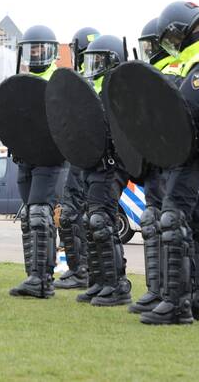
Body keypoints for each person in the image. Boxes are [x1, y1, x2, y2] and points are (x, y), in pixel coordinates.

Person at [141, 1, 199, 326]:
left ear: (181, 32)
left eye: (170, 39)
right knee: (197, 224)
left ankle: (176, 303)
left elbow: (190, 109)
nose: (169, 46)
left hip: (191, 154)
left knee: (173, 218)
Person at [75, 34, 132, 307]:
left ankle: (117, 285)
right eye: (92, 60)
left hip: (111, 167)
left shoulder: (120, 92)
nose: (94, 65)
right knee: (91, 222)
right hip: (93, 165)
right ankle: (98, 282)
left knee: (101, 222)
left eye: (99, 60)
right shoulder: (96, 91)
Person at [9, 24, 65, 299]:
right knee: (29, 216)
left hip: (49, 158)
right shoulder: (21, 83)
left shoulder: (59, 81)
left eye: (40, 48)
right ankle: (33, 275)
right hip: (26, 157)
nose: (36, 53)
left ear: (51, 51)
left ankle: (42, 279)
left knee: (41, 214)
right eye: (32, 49)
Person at [128, 18, 174, 312]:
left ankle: (171, 293)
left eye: (150, 45)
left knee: (169, 226)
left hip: (170, 162)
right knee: (151, 221)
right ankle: (154, 289)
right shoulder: (148, 76)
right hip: (152, 163)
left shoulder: (173, 71)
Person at [54, 26, 101, 291]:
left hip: (83, 160)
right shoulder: (90, 80)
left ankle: (81, 270)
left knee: (74, 215)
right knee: (77, 216)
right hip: (82, 158)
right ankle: (83, 270)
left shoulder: (88, 83)